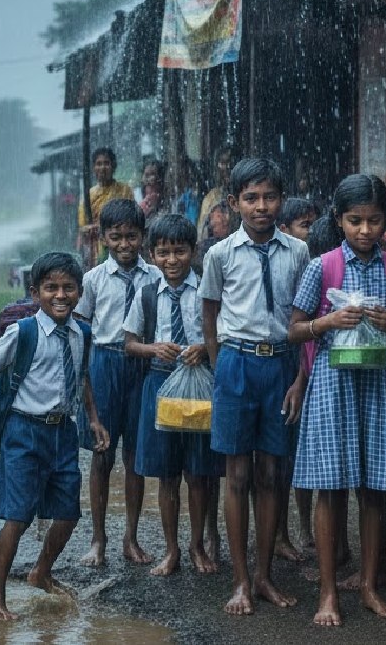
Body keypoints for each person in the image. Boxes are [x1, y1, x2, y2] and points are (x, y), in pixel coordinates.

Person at [289, 173, 386, 627]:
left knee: (374, 489)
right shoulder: (321, 267)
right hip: (331, 386)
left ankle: (367, 585)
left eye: (374, 221)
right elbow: (294, 329)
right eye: (354, 221)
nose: (365, 231)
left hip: (379, 386)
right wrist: (328, 323)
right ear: (339, 220)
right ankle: (328, 592)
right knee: (329, 487)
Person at [0, 252, 110, 621]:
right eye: (51, 288)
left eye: (68, 287)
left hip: (63, 434)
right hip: (24, 432)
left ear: (79, 292)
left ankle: (41, 571)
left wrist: (94, 420)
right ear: (35, 293)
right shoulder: (22, 332)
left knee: (68, 514)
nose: (60, 295)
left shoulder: (82, 333)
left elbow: (82, 378)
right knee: (18, 518)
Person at [199, 157, 309, 615]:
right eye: (251, 198)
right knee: (237, 474)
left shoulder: (298, 252)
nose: (261, 206)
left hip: (280, 366)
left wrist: (300, 378)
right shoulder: (220, 254)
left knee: (271, 473)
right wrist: (219, 364)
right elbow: (209, 314)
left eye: (269, 197)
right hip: (236, 364)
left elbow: (302, 320)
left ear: (281, 200)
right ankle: (240, 579)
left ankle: (264, 576)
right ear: (234, 202)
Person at [123, 214, 224, 575]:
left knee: (198, 473)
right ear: (152, 255)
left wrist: (203, 347)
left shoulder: (208, 292)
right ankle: (171, 550)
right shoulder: (147, 294)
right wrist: (153, 349)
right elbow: (129, 343)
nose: (171, 260)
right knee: (167, 475)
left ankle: (197, 545)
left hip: (199, 383)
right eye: (163, 253)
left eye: (179, 251)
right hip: (161, 383)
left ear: (192, 251)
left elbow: (223, 334)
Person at [75, 198, 163, 566]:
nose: (124, 244)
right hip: (105, 362)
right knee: (102, 454)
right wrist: (83, 380)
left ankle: (131, 537)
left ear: (142, 237)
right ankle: (98, 538)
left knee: (135, 456)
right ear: (104, 238)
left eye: (131, 236)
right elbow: (80, 329)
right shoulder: (93, 279)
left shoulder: (155, 276)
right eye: (116, 237)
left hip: (142, 363)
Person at [273, 196, 321, 561]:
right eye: (305, 225)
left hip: (308, 356)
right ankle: (285, 531)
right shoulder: (283, 256)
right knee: (281, 454)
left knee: (305, 451)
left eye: (314, 224)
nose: (312, 231)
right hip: (280, 354)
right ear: (285, 229)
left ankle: (307, 525)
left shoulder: (318, 261)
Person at [78, 147, 135, 264]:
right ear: (94, 168)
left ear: (113, 166)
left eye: (106, 163)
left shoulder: (124, 190)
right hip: (95, 246)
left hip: (120, 243)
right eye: (98, 164)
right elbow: (83, 226)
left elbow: (131, 218)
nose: (102, 168)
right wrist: (90, 230)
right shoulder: (89, 195)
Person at [197, 145, 240, 239]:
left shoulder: (247, 196)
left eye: (231, 163)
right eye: (224, 163)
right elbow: (202, 236)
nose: (228, 167)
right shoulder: (212, 198)